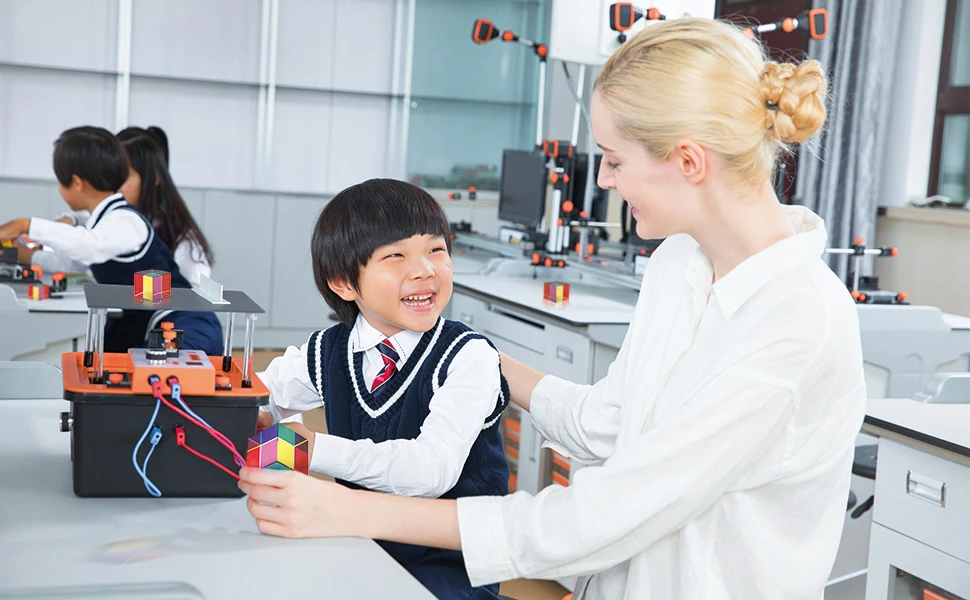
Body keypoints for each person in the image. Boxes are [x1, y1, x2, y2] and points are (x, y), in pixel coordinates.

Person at [236, 18, 867, 600]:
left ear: (688, 161)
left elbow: (609, 514)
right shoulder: (680, 263)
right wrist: (463, 358)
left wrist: (349, 508)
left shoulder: (797, 324)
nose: (604, 181)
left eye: (614, 161)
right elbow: (610, 424)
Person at [254, 178, 510, 600]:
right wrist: (250, 416)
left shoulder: (468, 356)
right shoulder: (328, 350)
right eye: (396, 256)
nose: (425, 270)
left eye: (436, 250)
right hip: (359, 541)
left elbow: (430, 471)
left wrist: (308, 448)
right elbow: (262, 394)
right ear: (343, 282)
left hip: (450, 562)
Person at [0, 126, 224, 357]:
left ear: (77, 183)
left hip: (184, 325)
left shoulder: (127, 221)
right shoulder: (105, 223)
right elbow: (69, 262)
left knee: (155, 376)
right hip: (152, 326)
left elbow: (88, 246)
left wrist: (25, 225)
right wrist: (21, 254)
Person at [117, 129, 213, 289]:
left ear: (154, 177)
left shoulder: (182, 241)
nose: (114, 185)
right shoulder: (111, 228)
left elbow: (194, 299)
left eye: (124, 176)